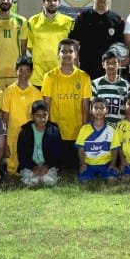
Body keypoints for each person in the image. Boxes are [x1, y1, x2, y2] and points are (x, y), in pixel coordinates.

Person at [41, 38, 91, 174]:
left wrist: (84, 130)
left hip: (76, 132)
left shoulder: (84, 77)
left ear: (75, 55)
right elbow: (46, 105)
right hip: (57, 133)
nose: (67, 54)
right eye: (64, 51)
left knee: (74, 167)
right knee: (57, 167)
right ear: (58, 54)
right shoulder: (49, 77)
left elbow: (85, 107)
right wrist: (47, 129)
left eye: (70, 51)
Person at [68, 0, 126, 80]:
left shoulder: (118, 20)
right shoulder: (82, 17)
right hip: (86, 69)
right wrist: (74, 64)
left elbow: (122, 47)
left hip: (109, 71)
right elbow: (74, 43)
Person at [28, 0, 76, 89]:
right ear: (43, 2)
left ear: (59, 2)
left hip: (61, 74)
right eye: (48, 0)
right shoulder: (33, 21)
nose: (52, 3)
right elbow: (30, 46)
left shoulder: (69, 22)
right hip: (38, 77)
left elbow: (74, 48)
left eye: (55, 0)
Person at [1, 58, 42, 174]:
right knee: (12, 169)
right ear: (16, 70)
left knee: (28, 167)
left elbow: (39, 119)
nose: (24, 74)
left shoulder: (36, 93)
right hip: (12, 135)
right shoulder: (8, 91)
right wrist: (4, 142)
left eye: (27, 70)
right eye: (21, 70)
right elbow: (5, 118)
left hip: (29, 135)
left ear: (31, 72)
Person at [76, 98, 120, 182]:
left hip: (105, 164)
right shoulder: (85, 129)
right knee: (84, 181)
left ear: (107, 111)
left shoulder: (112, 129)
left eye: (102, 108)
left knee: (112, 179)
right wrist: (82, 164)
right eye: (96, 108)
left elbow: (114, 149)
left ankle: (104, 173)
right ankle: (91, 173)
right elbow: (81, 148)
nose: (99, 110)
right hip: (89, 164)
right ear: (91, 110)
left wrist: (113, 164)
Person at [92, 50, 130, 126]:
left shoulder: (126, 85)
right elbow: (92, 109)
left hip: (120, 128)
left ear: (119, 64)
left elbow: (128, 110)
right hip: (102, 128)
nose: (111, 66)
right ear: (103, 64)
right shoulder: (95, 84)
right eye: (108, 63)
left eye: (114, 63)